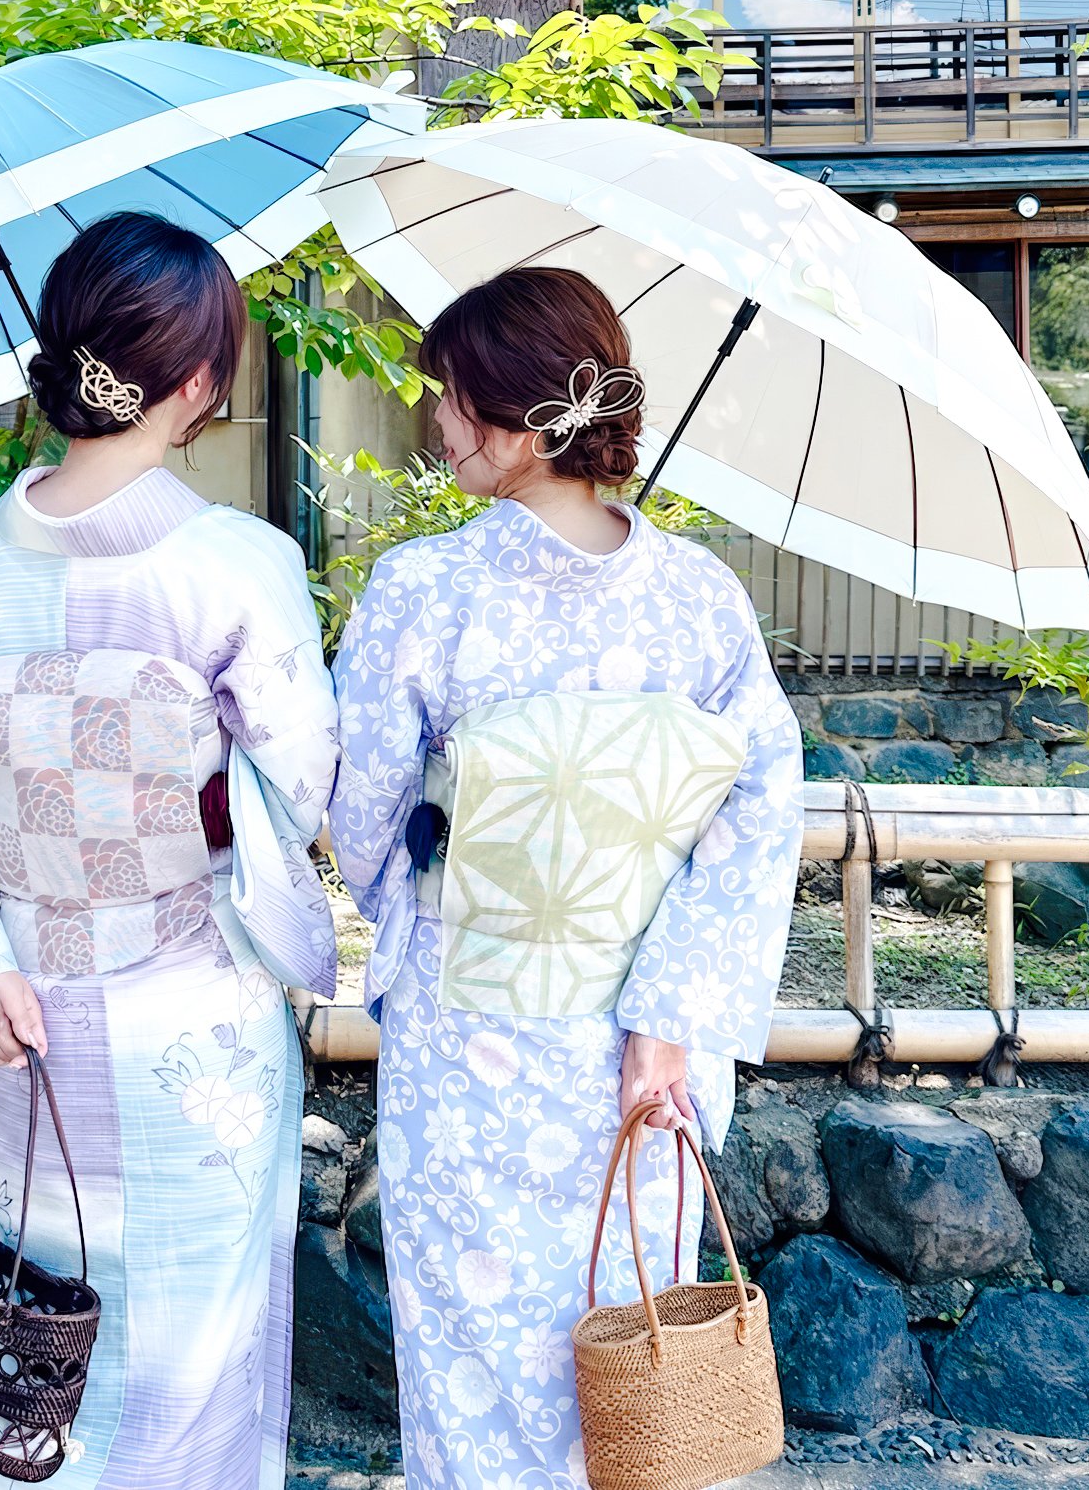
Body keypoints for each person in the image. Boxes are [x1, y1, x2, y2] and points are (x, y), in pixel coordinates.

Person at [0, 210, 340, 1490]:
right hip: (191, 1007)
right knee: (193, 1335)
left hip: (26, 1007)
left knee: (33, 1331)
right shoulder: (240, 563)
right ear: (195, 383)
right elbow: (303, 777)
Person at [328, 267, 804, 1488]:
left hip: (468, 1020)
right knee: (619, 1334)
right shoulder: (698, 594)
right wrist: (674, 1015)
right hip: (641, 1047)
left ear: (514, 416)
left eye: (448, 395)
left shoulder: (422, 590)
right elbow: (757, 808)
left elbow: (362, 812)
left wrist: (436, 898)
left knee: (473, 1350)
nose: (436, 422)